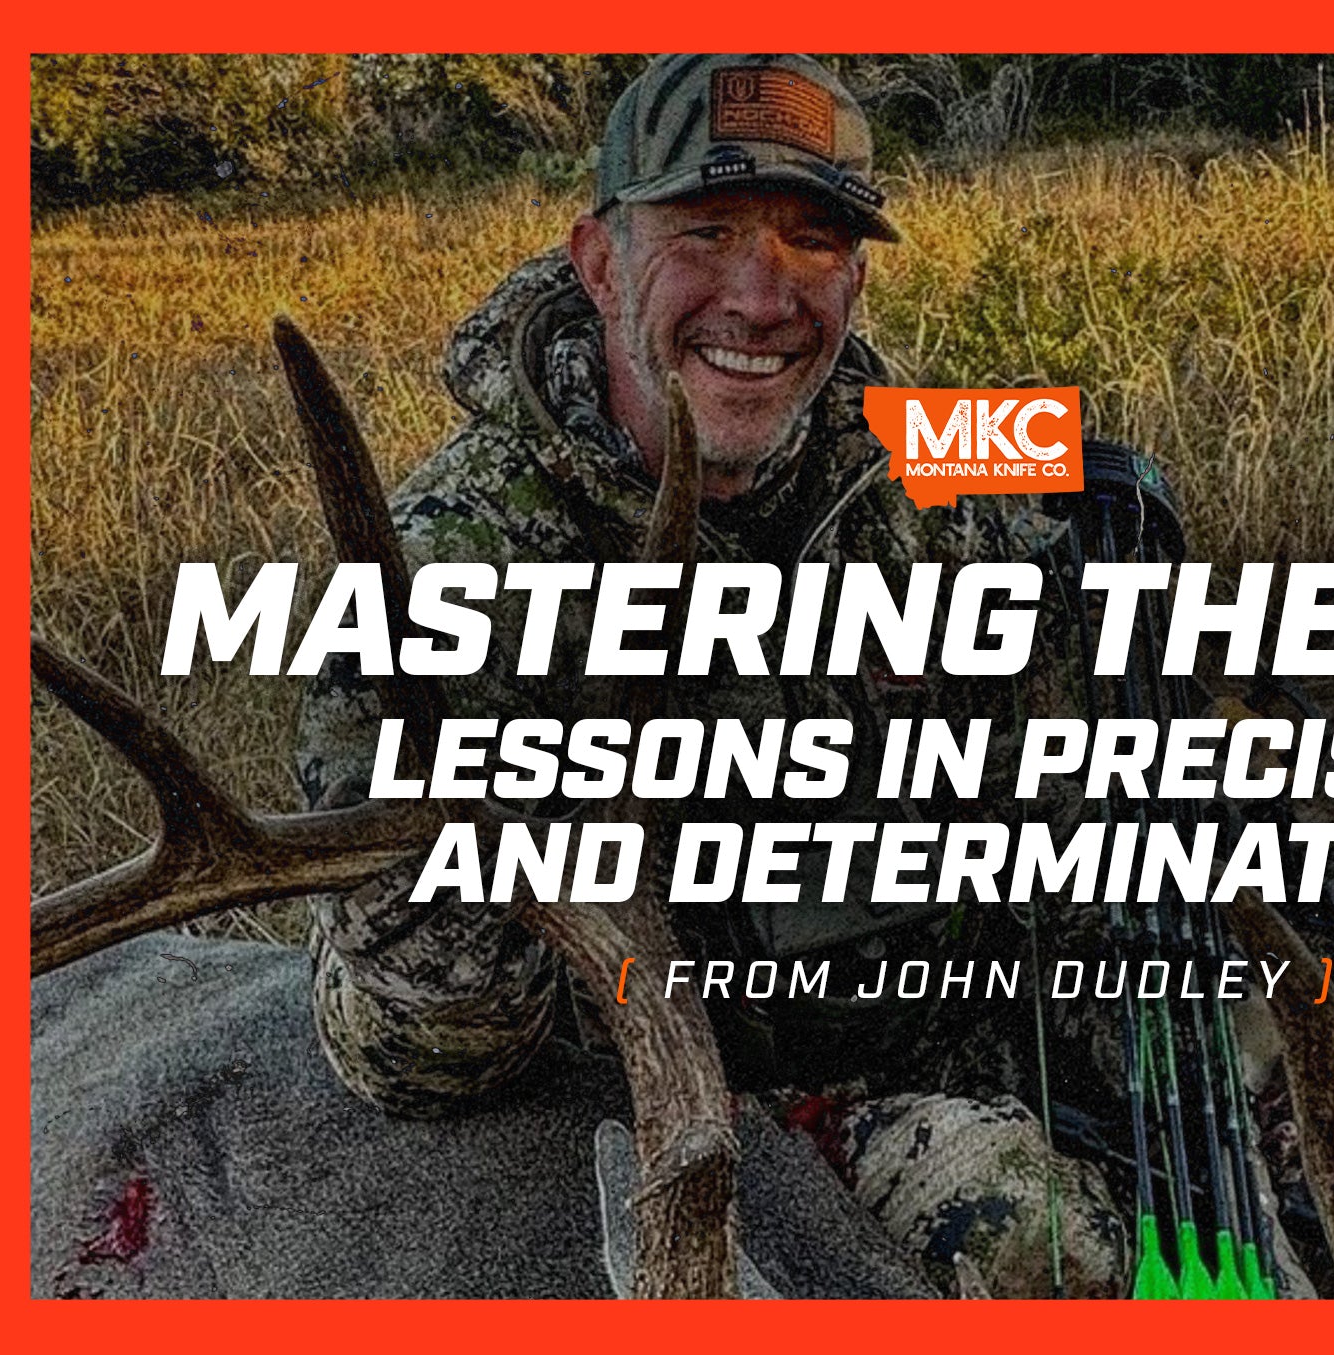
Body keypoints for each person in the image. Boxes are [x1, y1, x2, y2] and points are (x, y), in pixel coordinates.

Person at [294, 53, 1132, 1298]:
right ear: (598, 259)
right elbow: (427, 1040)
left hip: (911, 1042)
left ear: (853, 277)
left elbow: (1072, 777)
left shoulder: (936, 477)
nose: (760, 295)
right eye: (707, 231)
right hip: (618, 1093)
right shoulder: (446, 564)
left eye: (811, 240)